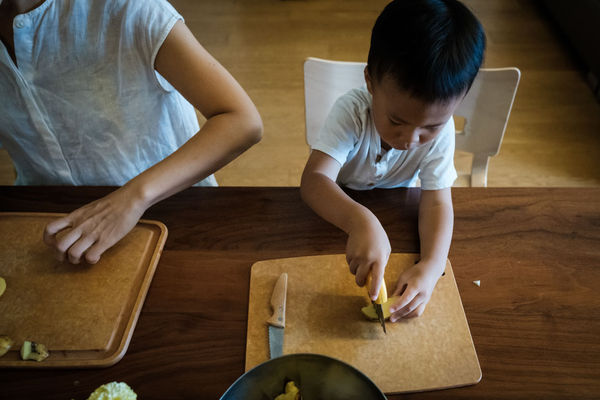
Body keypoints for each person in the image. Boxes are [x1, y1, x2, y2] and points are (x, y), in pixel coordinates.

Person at [0, 0, 263, 264]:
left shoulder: (130, 8)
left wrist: (133, 198)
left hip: (169, 210)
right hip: (49, 226)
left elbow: (241, 120)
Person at [300, 0, 485, 321]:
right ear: (370, 81)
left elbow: (438, 204)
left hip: (399, 211)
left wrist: (430, 266)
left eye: (430, 126)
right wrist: (361, 220)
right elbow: (314, 181)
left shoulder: (442, 134)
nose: (411, 139)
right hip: (337, 214)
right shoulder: (353, 112)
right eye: (397, 121)